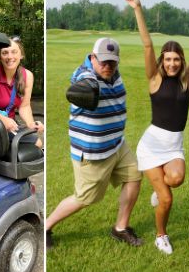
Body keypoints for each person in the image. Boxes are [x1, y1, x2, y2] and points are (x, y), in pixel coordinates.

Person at [125, 0, 189, 254]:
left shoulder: (187, 80)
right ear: (162, 61)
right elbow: (147, 44)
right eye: (167, 59)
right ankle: (161, 235)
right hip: (151, 146)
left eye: (176, 59)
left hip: (174, 147)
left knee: (176, 178)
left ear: (181, 61)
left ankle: (158, 191)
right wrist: (137, 8)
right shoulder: (154, 79)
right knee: (167, 199)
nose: (171, 63)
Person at [45, 38, 143, 250]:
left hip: (117, 145)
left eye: (112, 62)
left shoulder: (114, 74)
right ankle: (46, 226)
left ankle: (120, 228)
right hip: (94, 152)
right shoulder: (86, 76)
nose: (108, 66)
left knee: (134, 176)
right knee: (85, 198)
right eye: (103, 62)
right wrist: (87, 89)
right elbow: (82, 84)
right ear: (92, 58)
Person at [0, 36, 44, 148]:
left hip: (11, 124)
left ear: (21, 55)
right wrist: (2, 119)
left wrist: (31, 124)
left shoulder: (27, 75)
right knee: (35, 144)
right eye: (5, 53)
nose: (10, 57)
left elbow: (25, 106)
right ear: (0, 56)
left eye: (14, 52)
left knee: (38, 143)